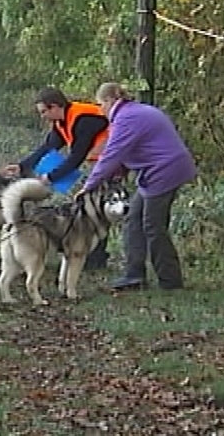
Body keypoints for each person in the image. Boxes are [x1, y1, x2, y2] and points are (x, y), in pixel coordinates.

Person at [78, 82, 196, 291]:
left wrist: (89, 186)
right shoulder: (134, 112)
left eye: (100, 105)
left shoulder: (126, 118)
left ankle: (171, 282)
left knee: (153, 226)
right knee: (134, 218)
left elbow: (111, 155)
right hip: (159, 170)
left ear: (109, 100)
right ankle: (134, 276)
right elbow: (132, 150)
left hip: (166, 171)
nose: (101, 110)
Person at [3, 86, 111, 269]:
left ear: (54, 107)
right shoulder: (62, 121)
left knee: (98, 209)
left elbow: (76, 157)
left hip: (113, 162)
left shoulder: (82, 119)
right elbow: (47, 147)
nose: (42, 116)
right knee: (88, 207)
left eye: (44, 111)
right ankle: (90, 255)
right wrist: (22, 166)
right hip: (99, 163)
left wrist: (50, 177)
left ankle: (96, 258)